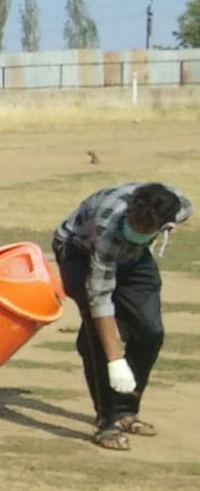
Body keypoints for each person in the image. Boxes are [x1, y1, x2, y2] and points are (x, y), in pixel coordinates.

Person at [52, 182, 192, 450]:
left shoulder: (180, 207)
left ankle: (127, 411)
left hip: (134, 257)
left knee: (150, 331)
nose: (136, 232)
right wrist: (116, 360)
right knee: (99, 333)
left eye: (145, 231)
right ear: (129, 211)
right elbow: (100, 297)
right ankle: (108, 421)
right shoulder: (108, 229)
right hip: (79, 251)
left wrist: (144, 239)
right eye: (134, 226)